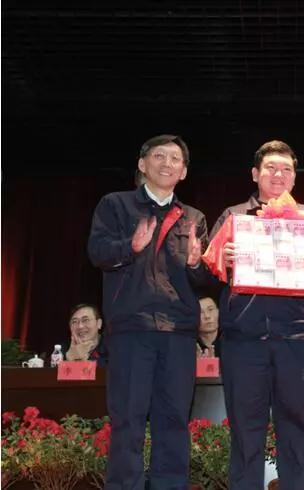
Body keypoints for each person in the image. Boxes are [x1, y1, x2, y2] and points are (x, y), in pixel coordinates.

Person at [88, 134, 208, 490]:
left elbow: (204, 279)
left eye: (175, 159)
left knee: (174, 421)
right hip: (131, 330)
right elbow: (97, 252)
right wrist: (130, 246)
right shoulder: (115, 205)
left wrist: (197, 264)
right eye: (159, 156)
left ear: (183, 172)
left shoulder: (193, 218)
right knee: (127, 421)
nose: (167, 163)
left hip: (178, 333)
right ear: (143, 164)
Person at [210, 140, 304, 489]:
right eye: (271, 168)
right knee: (245, 433)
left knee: (296, 430)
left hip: (297, 340)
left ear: (294, 178)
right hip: (243, 341)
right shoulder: (233, 218)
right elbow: (203, 274)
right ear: (255, 174)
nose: (279, 174)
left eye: (286, 169)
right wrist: (222, 260)